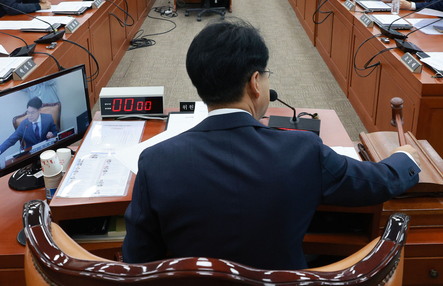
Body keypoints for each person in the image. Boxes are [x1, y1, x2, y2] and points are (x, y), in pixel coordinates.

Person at [122, 20, 420, 269]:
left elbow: (138, 260)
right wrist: (405, 159)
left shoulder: (156, 161)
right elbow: (375, 182)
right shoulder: (303, 150)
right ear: (255, 83)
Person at [0, 97, 58, 161]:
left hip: (48, 152)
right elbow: (11, 140)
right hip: (31, 156)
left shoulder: (48, 118)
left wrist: (52, 134)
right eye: (28, 112)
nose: (29, 115)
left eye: (32, 112)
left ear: (39, 110)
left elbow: (56, 132)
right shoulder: (23, 124)